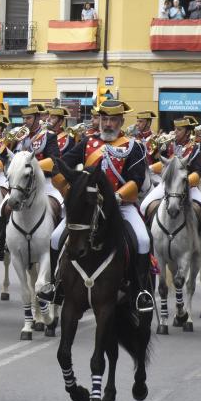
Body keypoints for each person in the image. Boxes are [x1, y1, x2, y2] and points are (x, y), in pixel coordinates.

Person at [52, 100, 155, 313]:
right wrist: (67, 192)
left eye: (113, 120)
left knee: (143, 240)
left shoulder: (133, 146)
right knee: (55, 237)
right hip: (88, 207)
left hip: (121, 205)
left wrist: (116, 197)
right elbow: (62, 167)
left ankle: (140, 291)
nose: (108, 124)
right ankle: (55, 285)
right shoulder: (87, 143)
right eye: (105, 119)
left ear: (121, 121)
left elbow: (136, 181)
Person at [0, 103, 61, 260]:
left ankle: (59, 245)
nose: (25, 121)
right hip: (20, 183)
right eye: (24, 118)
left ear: (38, 118)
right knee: (2, 208)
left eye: (29, 118)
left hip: (44, 182)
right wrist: (5, 146)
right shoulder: (18, 136)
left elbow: (54, 160)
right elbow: (3, 157)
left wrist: (31, 167)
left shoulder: (49, 136)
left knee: (61, 207)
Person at [140, 115, 201, 255]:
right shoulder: (169, 144)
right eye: (175, 129)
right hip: (167, 185)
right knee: (144, 206)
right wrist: (151, 167)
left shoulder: (195, 147)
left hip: (188, 186)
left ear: (187, 132)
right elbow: (163, 163)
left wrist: (185, 182)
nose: (175, 132)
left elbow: (198, 171)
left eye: (179, 130)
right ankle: (150, 239)